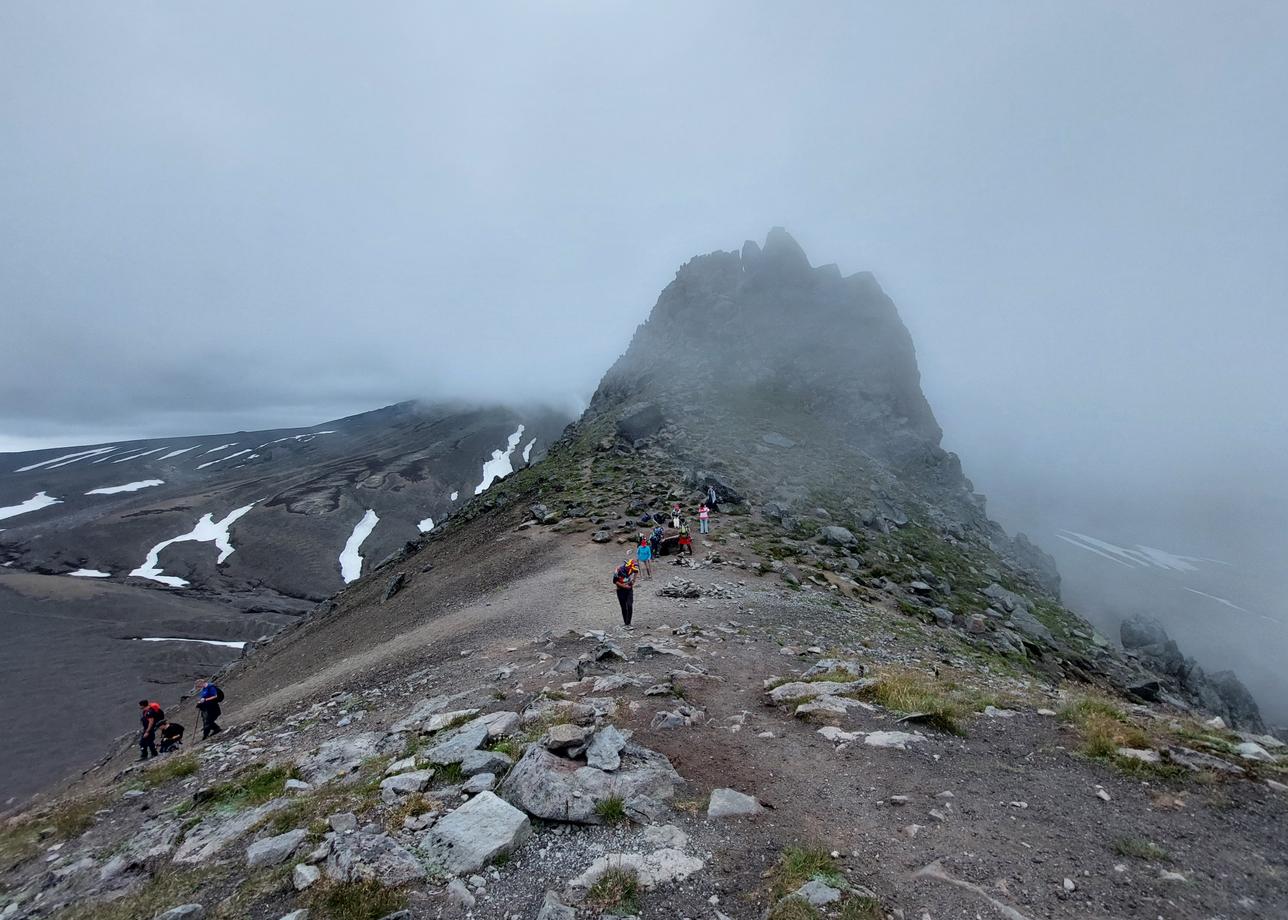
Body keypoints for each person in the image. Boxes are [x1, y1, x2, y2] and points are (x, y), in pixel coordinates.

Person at [613, 558, 638, 628]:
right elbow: (615, 581)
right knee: (623, 607)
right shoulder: (618, 570)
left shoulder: (633, 568)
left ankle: (628, 623)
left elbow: (636, 571)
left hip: (629, 588)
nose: (632, 571)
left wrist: (634, 580)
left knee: (630, 605)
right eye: (632, 569)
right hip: (620, 589)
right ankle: (626, 623)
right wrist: (623, 586)